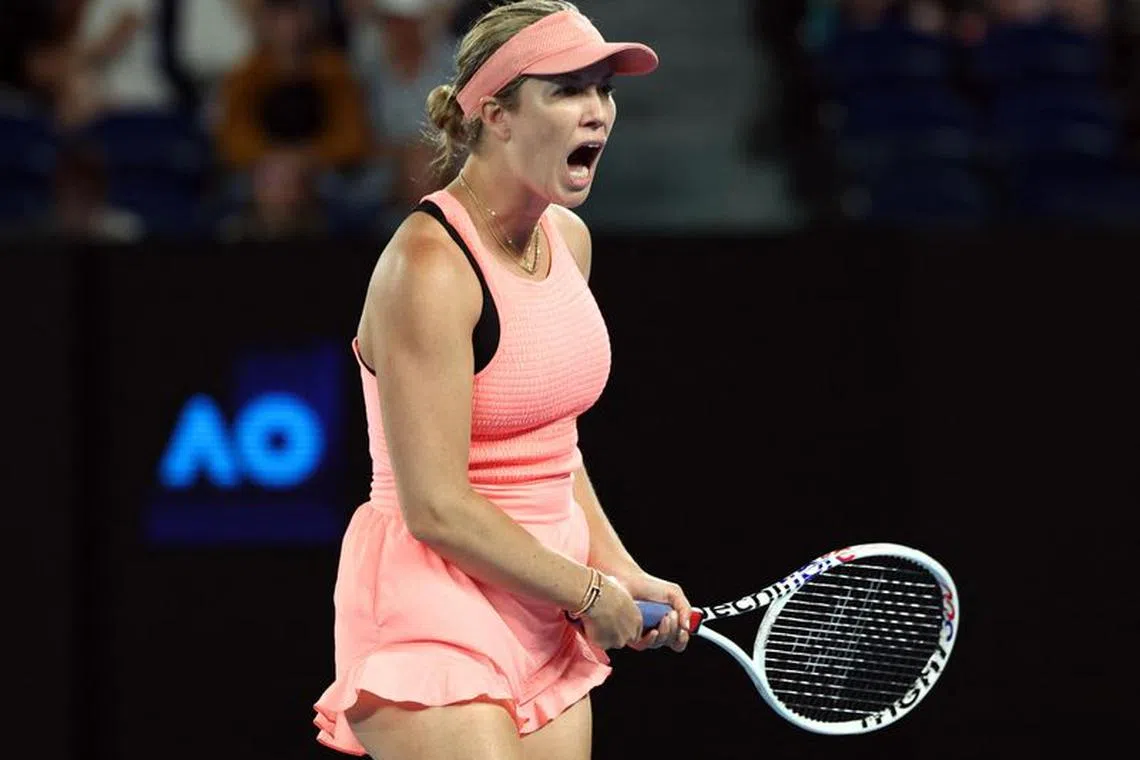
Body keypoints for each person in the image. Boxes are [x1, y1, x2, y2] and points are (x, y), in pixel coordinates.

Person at [312, 2, 692, 758]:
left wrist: (613, 565)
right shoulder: (428, 267)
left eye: (604, 91)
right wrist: (586, 592)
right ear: (496, 115)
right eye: (568, 91)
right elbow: (436, 506)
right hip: (434, 602)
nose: (598, 113)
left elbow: (555, 447)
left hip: (538, 594)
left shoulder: (568, 241)